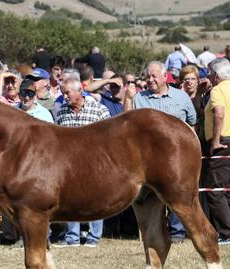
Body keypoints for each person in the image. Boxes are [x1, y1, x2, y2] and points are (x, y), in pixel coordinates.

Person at [124, 61, 197, 243]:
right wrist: (128, 99)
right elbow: (125, 124)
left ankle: (177, 233)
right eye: (148, 76)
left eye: (154, 76)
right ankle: (155, 232)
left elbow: (192, 122)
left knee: (177, 193)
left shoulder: (181, 98)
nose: (150, 80)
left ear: (165, 77)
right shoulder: (140, 99)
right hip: (148, 159)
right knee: (152, 199)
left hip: (177, 156)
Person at [53, 78, 110, 248]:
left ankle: (94, 237)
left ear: (79, 92)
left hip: (94, 163)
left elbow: (109, 137)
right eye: (63, 93)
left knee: (96, 199)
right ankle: (72, 238)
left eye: (67, 92)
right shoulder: (62, 112)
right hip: (69, 166)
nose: (64, 96)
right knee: (71, 200)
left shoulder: (99, 110)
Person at [202, 58, 230, 244]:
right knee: (227, 190)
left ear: (217, 75)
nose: (209, 77)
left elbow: (219, 112)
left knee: (215, 190)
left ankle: (226, 233)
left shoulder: (218, 90)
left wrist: (216, 140)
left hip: (224, 142)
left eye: (210, 73)